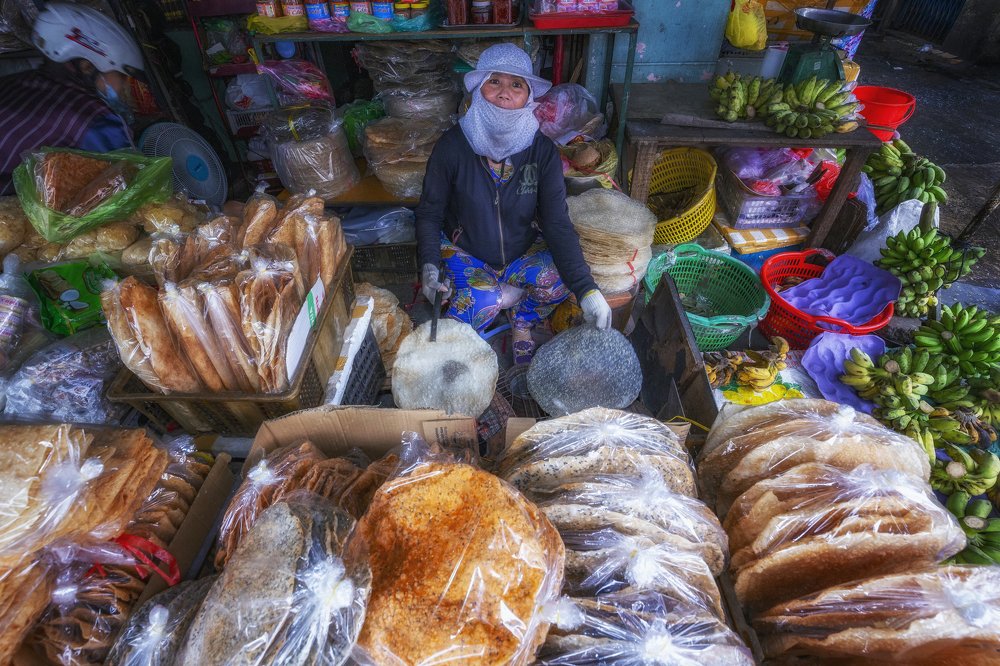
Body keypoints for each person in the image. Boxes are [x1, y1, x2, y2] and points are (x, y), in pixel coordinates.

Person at [415, 43, 612, 364]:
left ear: (528, 96)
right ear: (479, 88)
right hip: (466, 252)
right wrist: (429, 265)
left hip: (520, 252)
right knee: (479, 304)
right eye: (495, 81)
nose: (505, 93)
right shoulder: (452, 146)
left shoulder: (542, 151)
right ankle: (498, 300)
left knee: (561, 281)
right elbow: (428, 213)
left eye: (516, 85)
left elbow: (556, 223)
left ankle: (521, 320)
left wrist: (588, 290)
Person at [0, 3, 145, 195]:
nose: (124, 87)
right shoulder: (96, 120)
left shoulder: (11, 83)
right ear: (87, 67)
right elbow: (130, 186)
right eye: (121, 76)